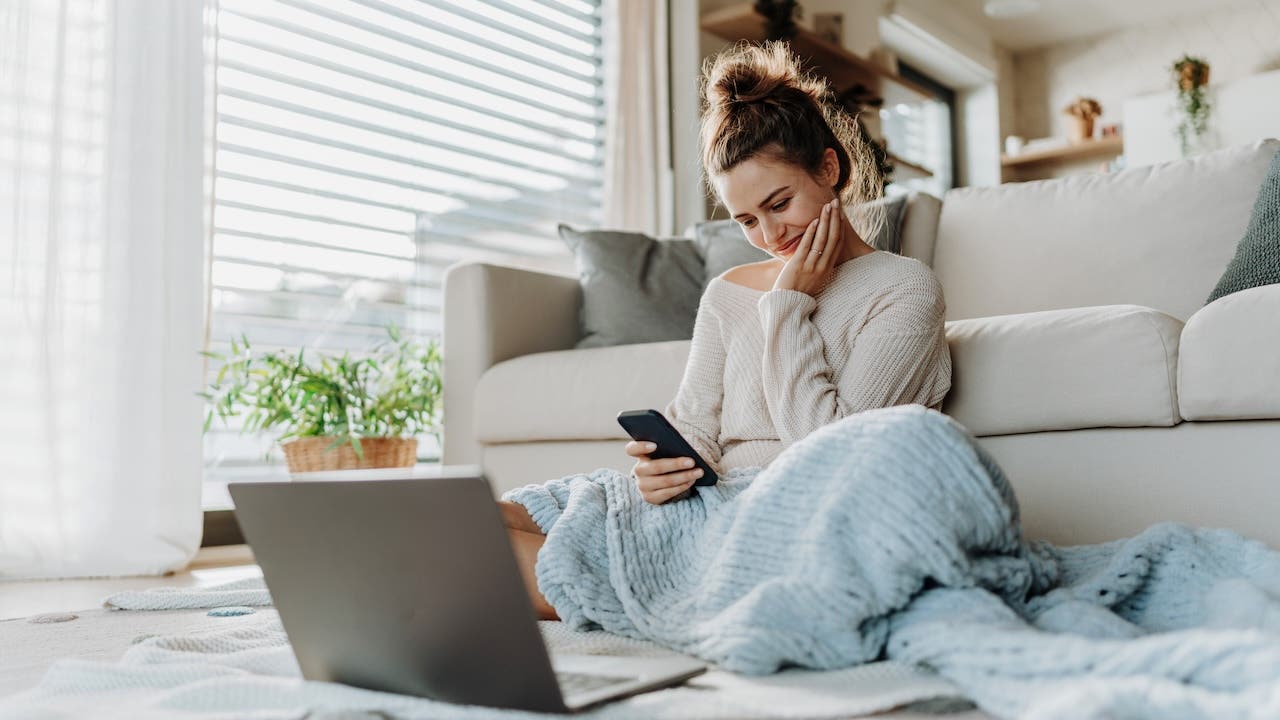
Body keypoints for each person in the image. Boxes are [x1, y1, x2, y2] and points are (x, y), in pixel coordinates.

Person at [499, 42, 952, 620]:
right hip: (704, 502)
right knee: (479, 518)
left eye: (779, 202)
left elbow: (837, 460)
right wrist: (660, 471)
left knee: (496, 557)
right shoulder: (728, 292)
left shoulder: (903, 289)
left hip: (783, 515)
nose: (770, 234)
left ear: (829, 169)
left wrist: (788, 307)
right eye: (746, 220)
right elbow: (695, 428)